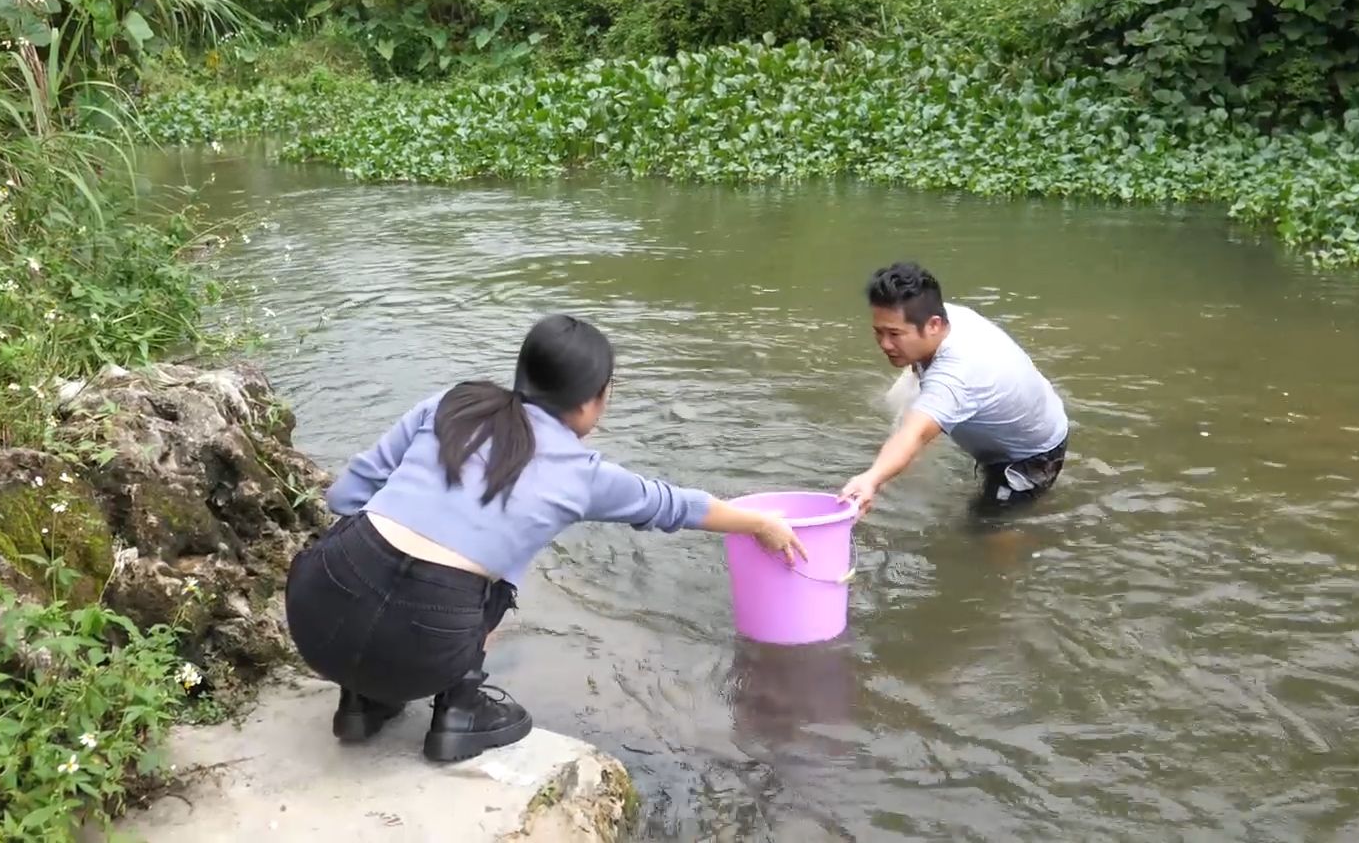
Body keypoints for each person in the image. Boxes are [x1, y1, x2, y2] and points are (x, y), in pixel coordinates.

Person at [284, 313, 807, 764]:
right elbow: (673, 504)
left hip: (315, 620)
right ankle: (458, 714)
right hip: (426, 647)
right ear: (593, 400)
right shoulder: (582, 473)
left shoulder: (453, 402)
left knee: (382, 544)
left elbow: (346, 494)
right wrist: (761, 522)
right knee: (495, 580)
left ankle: (360, 702)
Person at [839, 261, 1069, 518]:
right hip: (1028, 410)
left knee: (990, 530)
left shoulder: (958, 373)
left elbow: (914, 434)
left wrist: (871, 479)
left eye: (894, 334)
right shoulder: (938, 315)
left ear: (934, 325)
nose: (885, 344)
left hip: (1029, 455)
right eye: (878, 332)